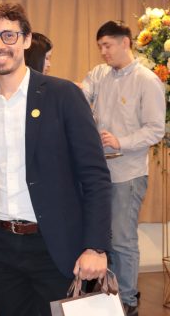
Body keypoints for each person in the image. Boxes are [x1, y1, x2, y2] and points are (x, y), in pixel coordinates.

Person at [0, 1, 112, 316]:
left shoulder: (63, 96)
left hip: (56, 248)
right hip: (0, 251)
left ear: (26, 39)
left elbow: (95, 176)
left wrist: (96, 246)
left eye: (8, 35)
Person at [81, 20, 165, 316]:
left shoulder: (147, 80)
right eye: (100, 47)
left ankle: (127, 300)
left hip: (128, 173)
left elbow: (156, 129)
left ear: (125, 42)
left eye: (107, 45)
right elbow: (80, 95)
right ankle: (108, 296)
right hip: (99, 173)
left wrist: (121, 141)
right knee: (102, 238)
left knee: (122, 239)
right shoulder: (99, 74)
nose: (103, 52)